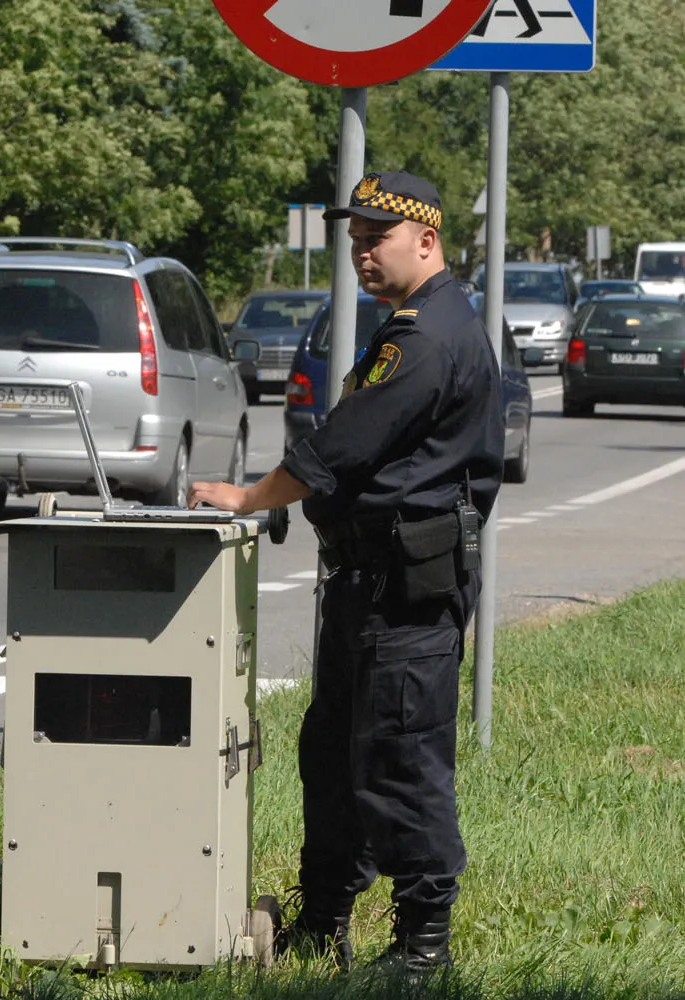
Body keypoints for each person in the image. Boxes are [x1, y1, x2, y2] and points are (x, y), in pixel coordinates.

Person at [189, 171, 503, 971]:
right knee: (335, 756)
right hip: (369, 583)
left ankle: (422, 950)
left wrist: (249, 495)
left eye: (378, 238)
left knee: (400, 762)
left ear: (425, 239)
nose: (362, 252)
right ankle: (324, 919)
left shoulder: (427, 337)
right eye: (355, 239)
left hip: (407, 591)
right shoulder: (414, 323)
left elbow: (339, 448)